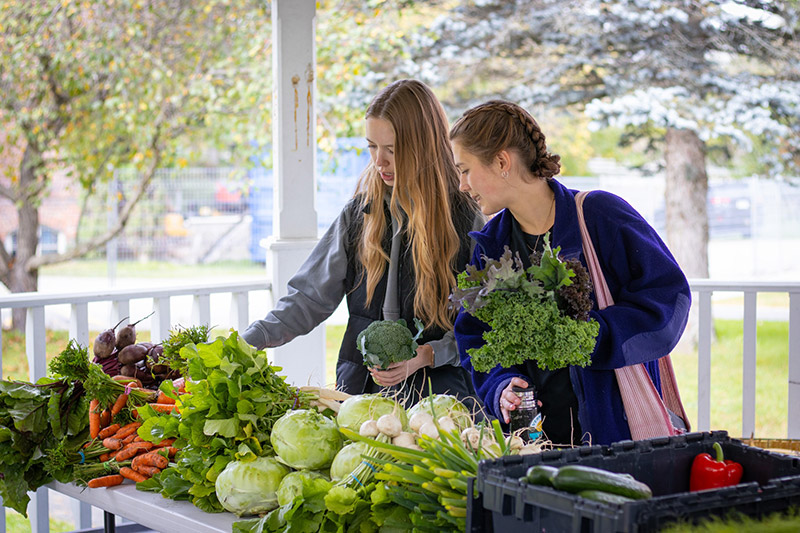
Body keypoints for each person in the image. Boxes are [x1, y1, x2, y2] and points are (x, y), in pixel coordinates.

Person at [450, 100, 691, 446]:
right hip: (534, 444)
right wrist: (501, 387)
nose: (461, 185)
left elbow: (670, 298)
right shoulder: (490, 244)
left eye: (465, 170)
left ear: (502, 162)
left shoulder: (599, 214)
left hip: (617, 435)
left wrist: (593, 336)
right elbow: (475, 338)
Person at [242, 79, 485, 405]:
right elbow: (308, 299)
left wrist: (426, 355)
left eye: (393, 150)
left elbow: (482, 324)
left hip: (443, 402)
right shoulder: (359, 213)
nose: (379, 161)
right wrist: (246, 341)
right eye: (372, 146)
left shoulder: (467, 217)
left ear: (424, 146)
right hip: (360, 395)